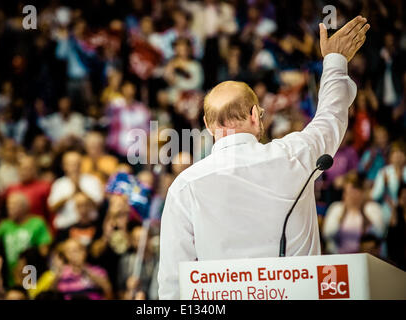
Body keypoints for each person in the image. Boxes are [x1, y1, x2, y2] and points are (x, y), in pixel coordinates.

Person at [158, 16, 371, 299]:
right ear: (255, 117)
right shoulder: (295, 155)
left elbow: (172, 284)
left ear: (209, 127)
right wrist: (335, 59)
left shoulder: (185, 186)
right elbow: (331, 116)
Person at [0, 192, 52, 287]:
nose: (10, 210)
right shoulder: (5, 225)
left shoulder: (37, 223)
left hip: (32, 273)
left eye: (14, 206)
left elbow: (44, 251)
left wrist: (26, 258)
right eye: (8, 206)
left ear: (25, 207)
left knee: (30, 291)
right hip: (10, 276)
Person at [322, 173, 384, 254]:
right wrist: (343, 214)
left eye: (355, 192)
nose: (352, 196)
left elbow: (380, 233)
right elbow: (327, 234)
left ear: (362, 192)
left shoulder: (372, 208)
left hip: (366, 256)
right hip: (340, 257)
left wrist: (363, 213)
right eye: (349, 192)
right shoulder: (336, 208)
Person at [48, 151, 103, 230]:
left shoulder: (92, 180)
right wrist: (70, 195)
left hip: (90, 226)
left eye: (77, 163)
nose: (74, 167)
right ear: (64, 166)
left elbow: (99, 205)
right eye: (70, 164)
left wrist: (79, 189)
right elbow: (52, 208)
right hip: (65, 227)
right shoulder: (59, 183)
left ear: (81, 164)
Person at [3, 155, 53, 226]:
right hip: (16, 230)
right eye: (21, 168)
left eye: (27, 169)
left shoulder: (45, 187)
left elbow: (51, 213)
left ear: (34, 170)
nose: (23, 172)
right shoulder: (11, 189)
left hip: (38, 230)